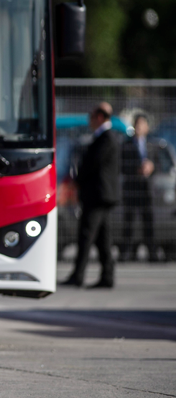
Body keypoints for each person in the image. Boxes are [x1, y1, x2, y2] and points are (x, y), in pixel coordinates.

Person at [63, 102, 120, 288]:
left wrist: (76, 181)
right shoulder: (104, 137)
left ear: (100, 117)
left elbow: (91, 165)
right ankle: (107, 276)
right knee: (103, 238)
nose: (90, 120)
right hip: (100, 195)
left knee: (86, 236)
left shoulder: (106, 138)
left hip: (98, 195)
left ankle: (78, 275)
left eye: (92, 116)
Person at [120, 114, 158, 262]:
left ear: (147, 127)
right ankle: (127, 253)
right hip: (131, 189)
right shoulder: (126, 145)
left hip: (147, 190)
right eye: (137, 124)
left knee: (148, 222)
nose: (139, 127)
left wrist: (151, 167)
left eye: (142, 124)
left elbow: (158, 165)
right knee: (128, 222)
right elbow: (121, 166)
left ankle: (152, 253)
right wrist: (136, 169)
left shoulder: (152, 145)